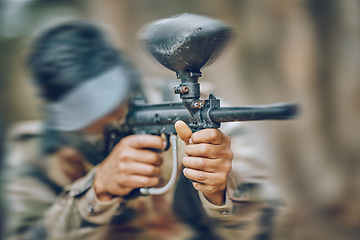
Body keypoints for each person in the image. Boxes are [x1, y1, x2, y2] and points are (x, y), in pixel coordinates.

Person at [3, 21, 278, 240]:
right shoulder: (32, 152)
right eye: (86, 116)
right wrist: (96, 191)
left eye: (110, 104)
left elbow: (264, 228)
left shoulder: (190, 115)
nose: (105, 121)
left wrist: (220, 191)